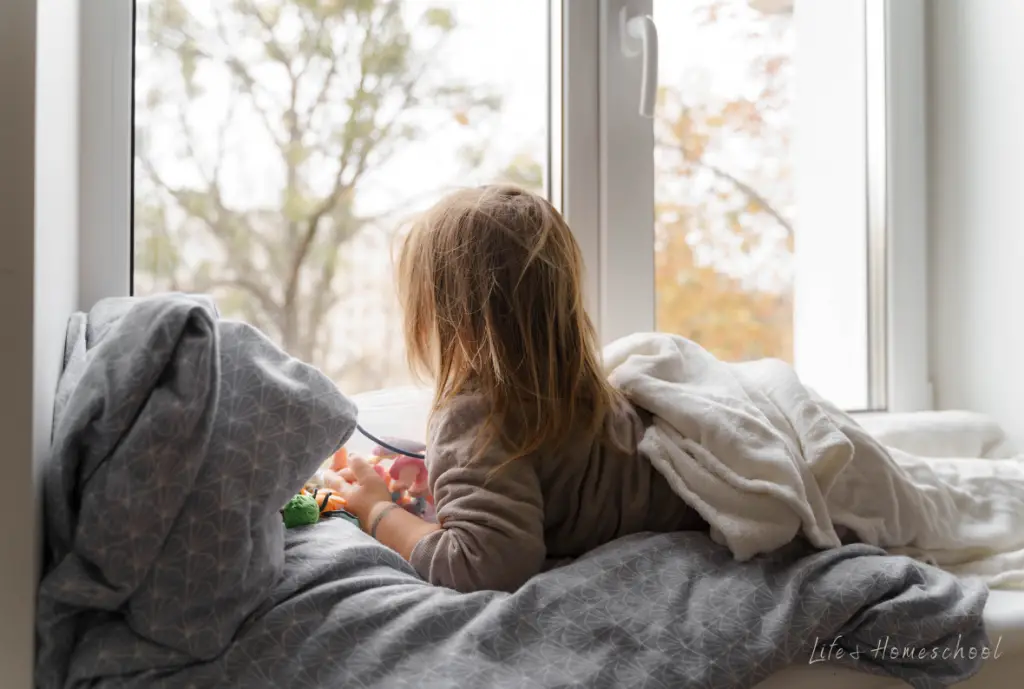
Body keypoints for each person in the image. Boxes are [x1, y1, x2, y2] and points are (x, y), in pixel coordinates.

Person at [327, 184, 706, 593]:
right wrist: (440, 471)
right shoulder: (577, 388)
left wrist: (376, 509)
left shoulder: (473, 418)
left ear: (438, 320)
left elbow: (484, 565)